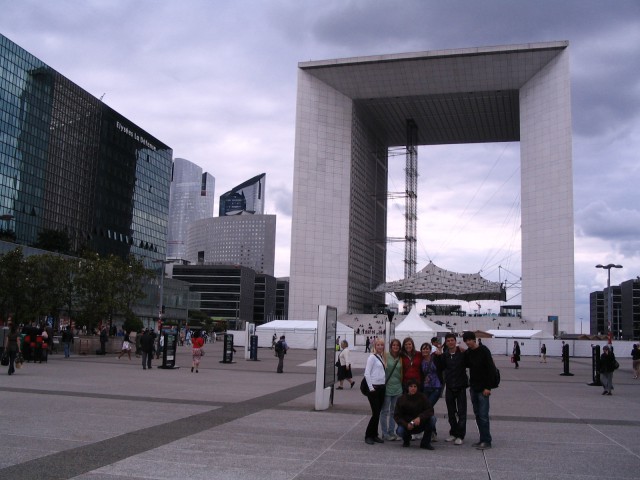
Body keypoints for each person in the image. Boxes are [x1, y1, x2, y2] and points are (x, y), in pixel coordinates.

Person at [463, 331, 496, 450]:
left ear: (474, 339)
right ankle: (482, 438)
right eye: (466, 341)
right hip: (474, 387)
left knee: (483, 415)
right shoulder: (468, 352)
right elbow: (465, 363)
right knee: (477, 414)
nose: (468, 342)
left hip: (483, 388)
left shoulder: (483, 350)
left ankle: (487, 440)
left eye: (469, 340)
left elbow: (491, 369)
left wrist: (488, 387)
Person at [434, 332, 467, 446]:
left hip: (460, 386)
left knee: (462, 412)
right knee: (451, 412)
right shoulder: (445, 355)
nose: (450, 342)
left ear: (455, 341)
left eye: (452, 340)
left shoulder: (462, 353)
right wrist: (437, 356)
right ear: (446, 343)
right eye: (448, 341)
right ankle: (453, 432)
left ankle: (460, 435)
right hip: (450, 386)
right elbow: (439, 367)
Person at [393, 378, 435, 450]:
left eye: (415, 386)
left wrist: (420, 417)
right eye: (411, 386)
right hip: (407, 424)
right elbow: (397, 416)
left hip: (420, 423)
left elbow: (430, 410)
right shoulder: (401, 399)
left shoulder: (422, 397)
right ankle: (406, 440)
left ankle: (425, 443)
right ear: (407, 387)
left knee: (433, 419)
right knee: (400, 431)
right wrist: (406, 424)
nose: (413, 388)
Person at [363, 337, 386, 445]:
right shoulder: (372, 357)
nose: (380, 347)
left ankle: (374, 434)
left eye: (382, 345)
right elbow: (367, 373)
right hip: (374, 388)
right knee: (375, 413)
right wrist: (371, 388)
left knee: (378, 412)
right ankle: (368, 435)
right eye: (378, 345)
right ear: (374, 346)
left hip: (381, 387)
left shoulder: (381, 357)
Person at [381, 338, 403, 441]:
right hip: (387, 387)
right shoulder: (385, 355)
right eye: (394, 345)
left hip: (398, 387)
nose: (395, 347)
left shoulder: (401, 357)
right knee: (385, 411)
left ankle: (391, 431)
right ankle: (384, 433)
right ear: (391, 346)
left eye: (397, 345)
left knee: (394, 411)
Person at [420, 342, 443, 442]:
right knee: (428, 409)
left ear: (430, 350)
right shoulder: (421, 361)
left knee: (428, 407)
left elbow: (442, 366)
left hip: (436, 387)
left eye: (427, 349)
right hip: (426, 387)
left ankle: (432, 432)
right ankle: (432, 432)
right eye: (423, 349)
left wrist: (440, 353)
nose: (425, 350)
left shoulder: (435, 358)